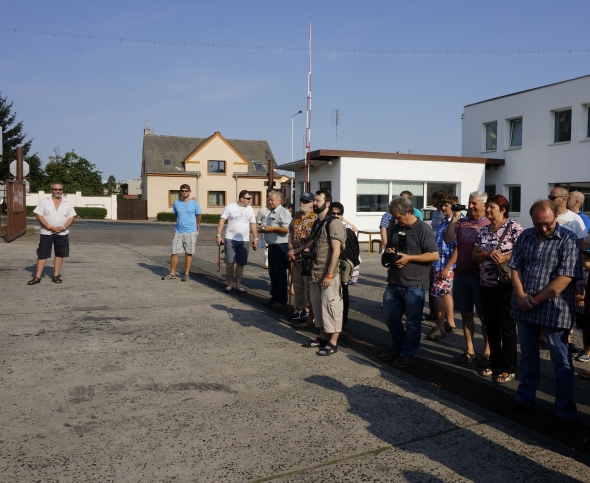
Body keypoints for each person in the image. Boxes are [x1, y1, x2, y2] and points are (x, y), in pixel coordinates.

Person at [503, 200, 583, 432]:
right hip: (524, 305)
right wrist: (519, 295)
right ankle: (525, 398)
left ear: (556, 217)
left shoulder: (567, 239)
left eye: (547, 224)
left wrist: (535, 299)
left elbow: (565, 278)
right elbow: (515, 267)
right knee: (528, 356)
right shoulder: (526, 236)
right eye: (538, 224)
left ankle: (565, 411)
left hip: (553, 308)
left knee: (561, 361)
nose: (543, 228)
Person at [380, 196, 439, 368]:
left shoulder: (423, 229)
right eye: (394, 217)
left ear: (409, 212)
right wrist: (390, 251)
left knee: (412, 323)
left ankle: (407, 354)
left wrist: (409, 258)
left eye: (398, 217)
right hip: (394, 281)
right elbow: (390, 248)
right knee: (391, 318)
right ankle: (397, 349)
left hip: (414, 284)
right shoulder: (396, 227)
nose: (396, 220)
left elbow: (434, 255)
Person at [471, 195, 523, 383]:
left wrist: (505, 257)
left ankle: (508, 368)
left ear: (503, 209)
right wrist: (486, 254)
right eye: (487, 207)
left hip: (507, 285)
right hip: (486, 284)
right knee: (490, 326)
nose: (488, 210)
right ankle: (494, 362)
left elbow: (523, 251)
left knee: (507, 327)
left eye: (492, 207)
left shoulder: (514, 227)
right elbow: (474, 256)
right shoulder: (484, 229)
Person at [444, 191, 491, 366]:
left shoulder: (488, 223)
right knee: (465, 314)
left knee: (484, 316)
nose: (470, 206)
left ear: (484, 205)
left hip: (480, 276)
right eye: (469, 203)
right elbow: (448, 239)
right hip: (462, 274)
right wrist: (454, 218)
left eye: (474, 203)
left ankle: (487, 350)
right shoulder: (462, 222)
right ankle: (470, 350)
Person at [301, 190, 347, 355]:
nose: (314, 203)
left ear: (327, 203)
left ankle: (333, 343)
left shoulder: (334, 223)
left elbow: (336, 251)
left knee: (332, 307)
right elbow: (313, 243)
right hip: (315, 272)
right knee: (319, 307)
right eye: (314, 200)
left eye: (318, 200)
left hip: (329, 275)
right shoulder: (318, 222)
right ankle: (322, 337)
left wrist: (329, 275)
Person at [28, 182, 77, 285]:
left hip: (62, 233)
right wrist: (48, 227)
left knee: (60, 254)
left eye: (60, 189)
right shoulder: (44, 201)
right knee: (42, 254)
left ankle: (55, 275)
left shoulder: (67, 203)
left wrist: (63, 227)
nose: (58, 191)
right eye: (55, 189)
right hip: (46, 232)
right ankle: (37, 277)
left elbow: (71, 217)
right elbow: (39, 215)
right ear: (51, 190)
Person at [427, 195, 460, 341]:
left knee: (437, 293)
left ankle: (440, 327)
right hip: (438, 264)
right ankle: (450, 323)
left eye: (446, 205)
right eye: (443, 205)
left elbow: (459, 249)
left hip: (447, 266)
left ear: (454, 206)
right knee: (445, 293)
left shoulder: (458, 223)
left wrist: (447, 268)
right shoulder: (443, 222)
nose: (443, 208)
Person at [215, 190, 259, 292]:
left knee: (241, 263)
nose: (250, 200)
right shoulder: (230, 207)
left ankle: (238, 285)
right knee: (230, 262)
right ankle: (230, 283)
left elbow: (253, 224)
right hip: (231, 238)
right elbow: (222, 220)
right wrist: (218, 235)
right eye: (248, 198)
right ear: (241, 198)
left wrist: (255, 238)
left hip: (244, 240)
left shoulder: (250, 209)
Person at [287, 192, 317, 324]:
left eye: (305, 201)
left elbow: (313, 240)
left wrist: (297, 250)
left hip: (307, 256)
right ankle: (297, 308)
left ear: (311, 203)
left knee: (307, 285)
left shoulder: (315, 217)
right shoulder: (297, 215)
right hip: (295, 256)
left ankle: (307, 310)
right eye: (301, 200)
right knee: (297, 284)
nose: (301, 203)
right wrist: (290, 249)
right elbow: (291, 233)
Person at [162, 184, 202, 281]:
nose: (184, 192)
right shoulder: (177, 203)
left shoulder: (195, 204)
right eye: (182, 191)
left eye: (186, 191)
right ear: (180, 192)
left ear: (189, 191)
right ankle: (172, 273)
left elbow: (199, 215)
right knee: (174, 252)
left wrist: (197, 225)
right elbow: (176, 215)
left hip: (191, 231)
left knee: (189, 253)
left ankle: (186, 274)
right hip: (178, 231)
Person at [330, 201, 360, 325]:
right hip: (329, 267)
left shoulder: (349, 231)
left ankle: (343, 320)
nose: (336, 216)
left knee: (343, 292)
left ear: (342, 215)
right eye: (333, 213)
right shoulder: (326, 227)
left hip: (343, 267)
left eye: (338, 214)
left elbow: (355, 251)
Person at [261, 190, 292, 308]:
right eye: (269, 199)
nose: (270, 202)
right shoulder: (271, 212)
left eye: (272, 200)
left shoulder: (283, 212)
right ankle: (274, 297)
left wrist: (272, 230)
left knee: (280, 275)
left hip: (281, 247)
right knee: (272, 274)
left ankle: (282, 300)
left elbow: (286, 229)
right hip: (272, 247)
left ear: (280, 200)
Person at [575, 249, 590, 372]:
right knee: (584, 330)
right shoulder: (580, 273)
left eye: (586, 259)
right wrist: (577, 298)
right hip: (581, 308)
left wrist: (583, 298)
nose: (583, 261)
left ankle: (588, 352)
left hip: (588, 307)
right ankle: (585, 349)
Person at [256, 201, 271, 269]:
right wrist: (262, 228)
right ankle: (266, 263)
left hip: (274, 233)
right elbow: (259, 221)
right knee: (266, 249)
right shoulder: (262, 210)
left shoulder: (276, 210)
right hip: (265, 233)